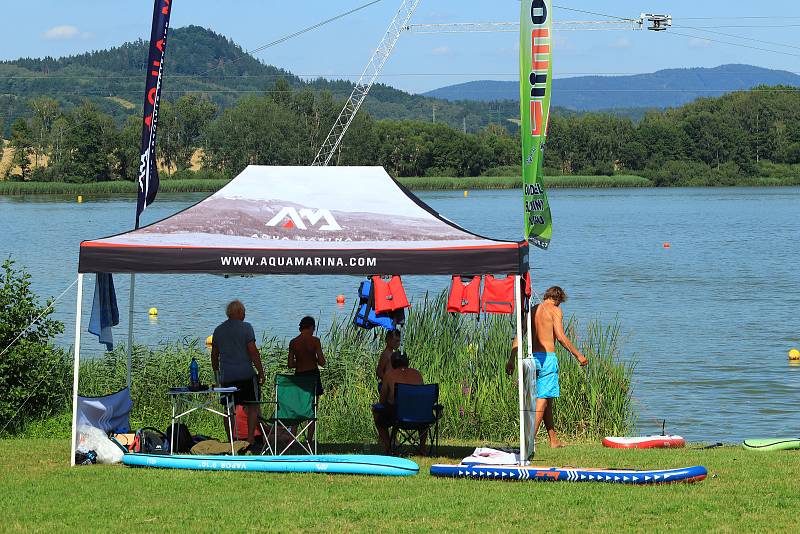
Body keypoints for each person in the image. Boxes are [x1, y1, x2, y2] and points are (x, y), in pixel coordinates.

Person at [506, 286, 588, 448]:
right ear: (558, 299)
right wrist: (578, 355)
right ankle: (529, 440)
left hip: (531, 359)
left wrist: (511, 360)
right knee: (542, 400)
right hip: (547, 359)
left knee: (547, 400)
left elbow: (519, 335)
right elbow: (561, 336)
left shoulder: (532, 310)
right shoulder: (555, 311)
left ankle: (553, 440)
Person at [211, 300, 265, 446]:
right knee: (253, 405)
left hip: (227, 377)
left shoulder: (218, 330)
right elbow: (253, 351)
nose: (245, 314)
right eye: (244, 312)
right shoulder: (247, 328)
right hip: (246, 375)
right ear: (240, 313)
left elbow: (214, 356)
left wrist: (217, 375)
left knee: (228, 409)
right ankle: (250, 438)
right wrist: (261, 371)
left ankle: (231, 440)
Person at [372, 351, 424, 454]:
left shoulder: (389, 375)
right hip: (420, 417)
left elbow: (382, 401)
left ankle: (388, 446)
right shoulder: (417, 374)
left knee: (376, 411)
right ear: (407, 362)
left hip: (398, 416)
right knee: (424, 419)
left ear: (392, 363)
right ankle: (422, 448)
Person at [288, 316, 326, 442]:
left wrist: (301, 361)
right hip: (313, 377)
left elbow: (290, 364)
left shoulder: (293, 342)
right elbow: (322, 362)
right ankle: (309, 440)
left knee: (297, 407)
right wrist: (313, 359)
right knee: (313, 408)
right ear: (311, 327)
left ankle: (293, 437)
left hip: (299, 377)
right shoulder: (315, 341)